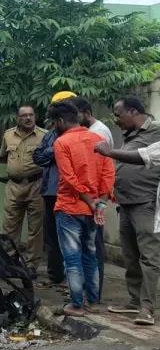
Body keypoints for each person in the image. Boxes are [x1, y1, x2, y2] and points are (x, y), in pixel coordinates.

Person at [93, 96, 160, 326]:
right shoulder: (130, 135)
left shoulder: (156, 131)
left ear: (133, 111)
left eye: (118, 114)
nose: (116, 119)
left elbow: (144, 157)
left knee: (149, 256)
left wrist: (109, 152)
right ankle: (134, 301)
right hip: (126, 203)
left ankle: (148, 307)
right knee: (130, 255)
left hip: (147, 203)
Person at [51, 101, 115, 316]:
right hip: (94, 209)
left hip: (70, 207)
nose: (54, 126)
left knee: (72, 258)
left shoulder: (62, 142)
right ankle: (94, 301)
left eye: (54, 122)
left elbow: (69, 178)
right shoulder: (99, 140)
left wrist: (88, 200)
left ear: (60, 121)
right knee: (91, 255)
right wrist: (100, 203)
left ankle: (77, 304)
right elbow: (108, 174)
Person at [71, 96, 114, 301]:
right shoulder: (90, 131)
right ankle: (86, 291)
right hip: (89, 198)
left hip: (95, 199)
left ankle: (94, 294)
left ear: (86, 113)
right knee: (87, 247)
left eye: (76, 115)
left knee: (93, 247)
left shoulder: (99, 133)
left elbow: (103, 170)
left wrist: (98, 202)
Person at [33, 91, 77, 288]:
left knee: (69, 236)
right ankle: (55, 276)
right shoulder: (51, 134)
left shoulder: (78, 134)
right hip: (50, 191)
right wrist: (56, 149)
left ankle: (72, 279)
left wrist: (53, 151)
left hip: (70, 192)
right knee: (52, 236)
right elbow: (38, 157)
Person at [0, 105, 46, 277]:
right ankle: (10, 262)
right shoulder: (8, 135)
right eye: (24, 115)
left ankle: (32, 265)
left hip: (36, 185)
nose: (28, 118)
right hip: (14, 186)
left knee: (35, 228)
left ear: (35, 116)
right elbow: (4, 156)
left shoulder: (44, 135)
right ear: (17, 118)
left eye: (31, 115)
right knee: (9, 226)